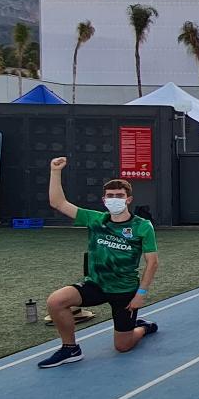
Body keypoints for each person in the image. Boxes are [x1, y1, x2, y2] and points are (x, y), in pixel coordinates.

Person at [38, 157, 159, 368]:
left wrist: (141, 295)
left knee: (123, 346)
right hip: (96, 284)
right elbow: (58, 203)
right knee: (55, 301)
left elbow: (152, 263)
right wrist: (55, 171)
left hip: (125, 291)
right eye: (110, 196)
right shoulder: (95, 219)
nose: (115, 199)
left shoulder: (142, 226)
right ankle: (70, 349)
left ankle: (142, 328)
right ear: (104, 200)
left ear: (128, 199)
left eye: (119, 196)